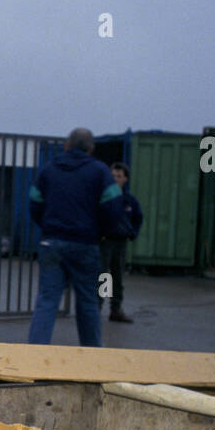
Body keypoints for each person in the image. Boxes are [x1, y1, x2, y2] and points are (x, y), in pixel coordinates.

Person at [26, 128, 122, 347]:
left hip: (51, 242)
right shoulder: (99, 172)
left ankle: (33, 356)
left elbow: (34, 203)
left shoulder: (49, 170)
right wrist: (100, 232)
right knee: (88, 301)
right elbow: (114, 207)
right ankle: (92, 358)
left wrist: (49, 227)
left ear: (66, 146)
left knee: (47, 300)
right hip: (85, 244)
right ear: (91, 149)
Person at [100, 161, 143, 323]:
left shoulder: (129, 200)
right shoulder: (103, 197)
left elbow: (138, 217)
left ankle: (116, 309)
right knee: (104, 276)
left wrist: (133, 233)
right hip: (105, 241)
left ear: (125, 179)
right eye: (113, 176)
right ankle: (98, 306)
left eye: (119, 176)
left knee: (118, 276)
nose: (115, 179)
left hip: (121, 242)